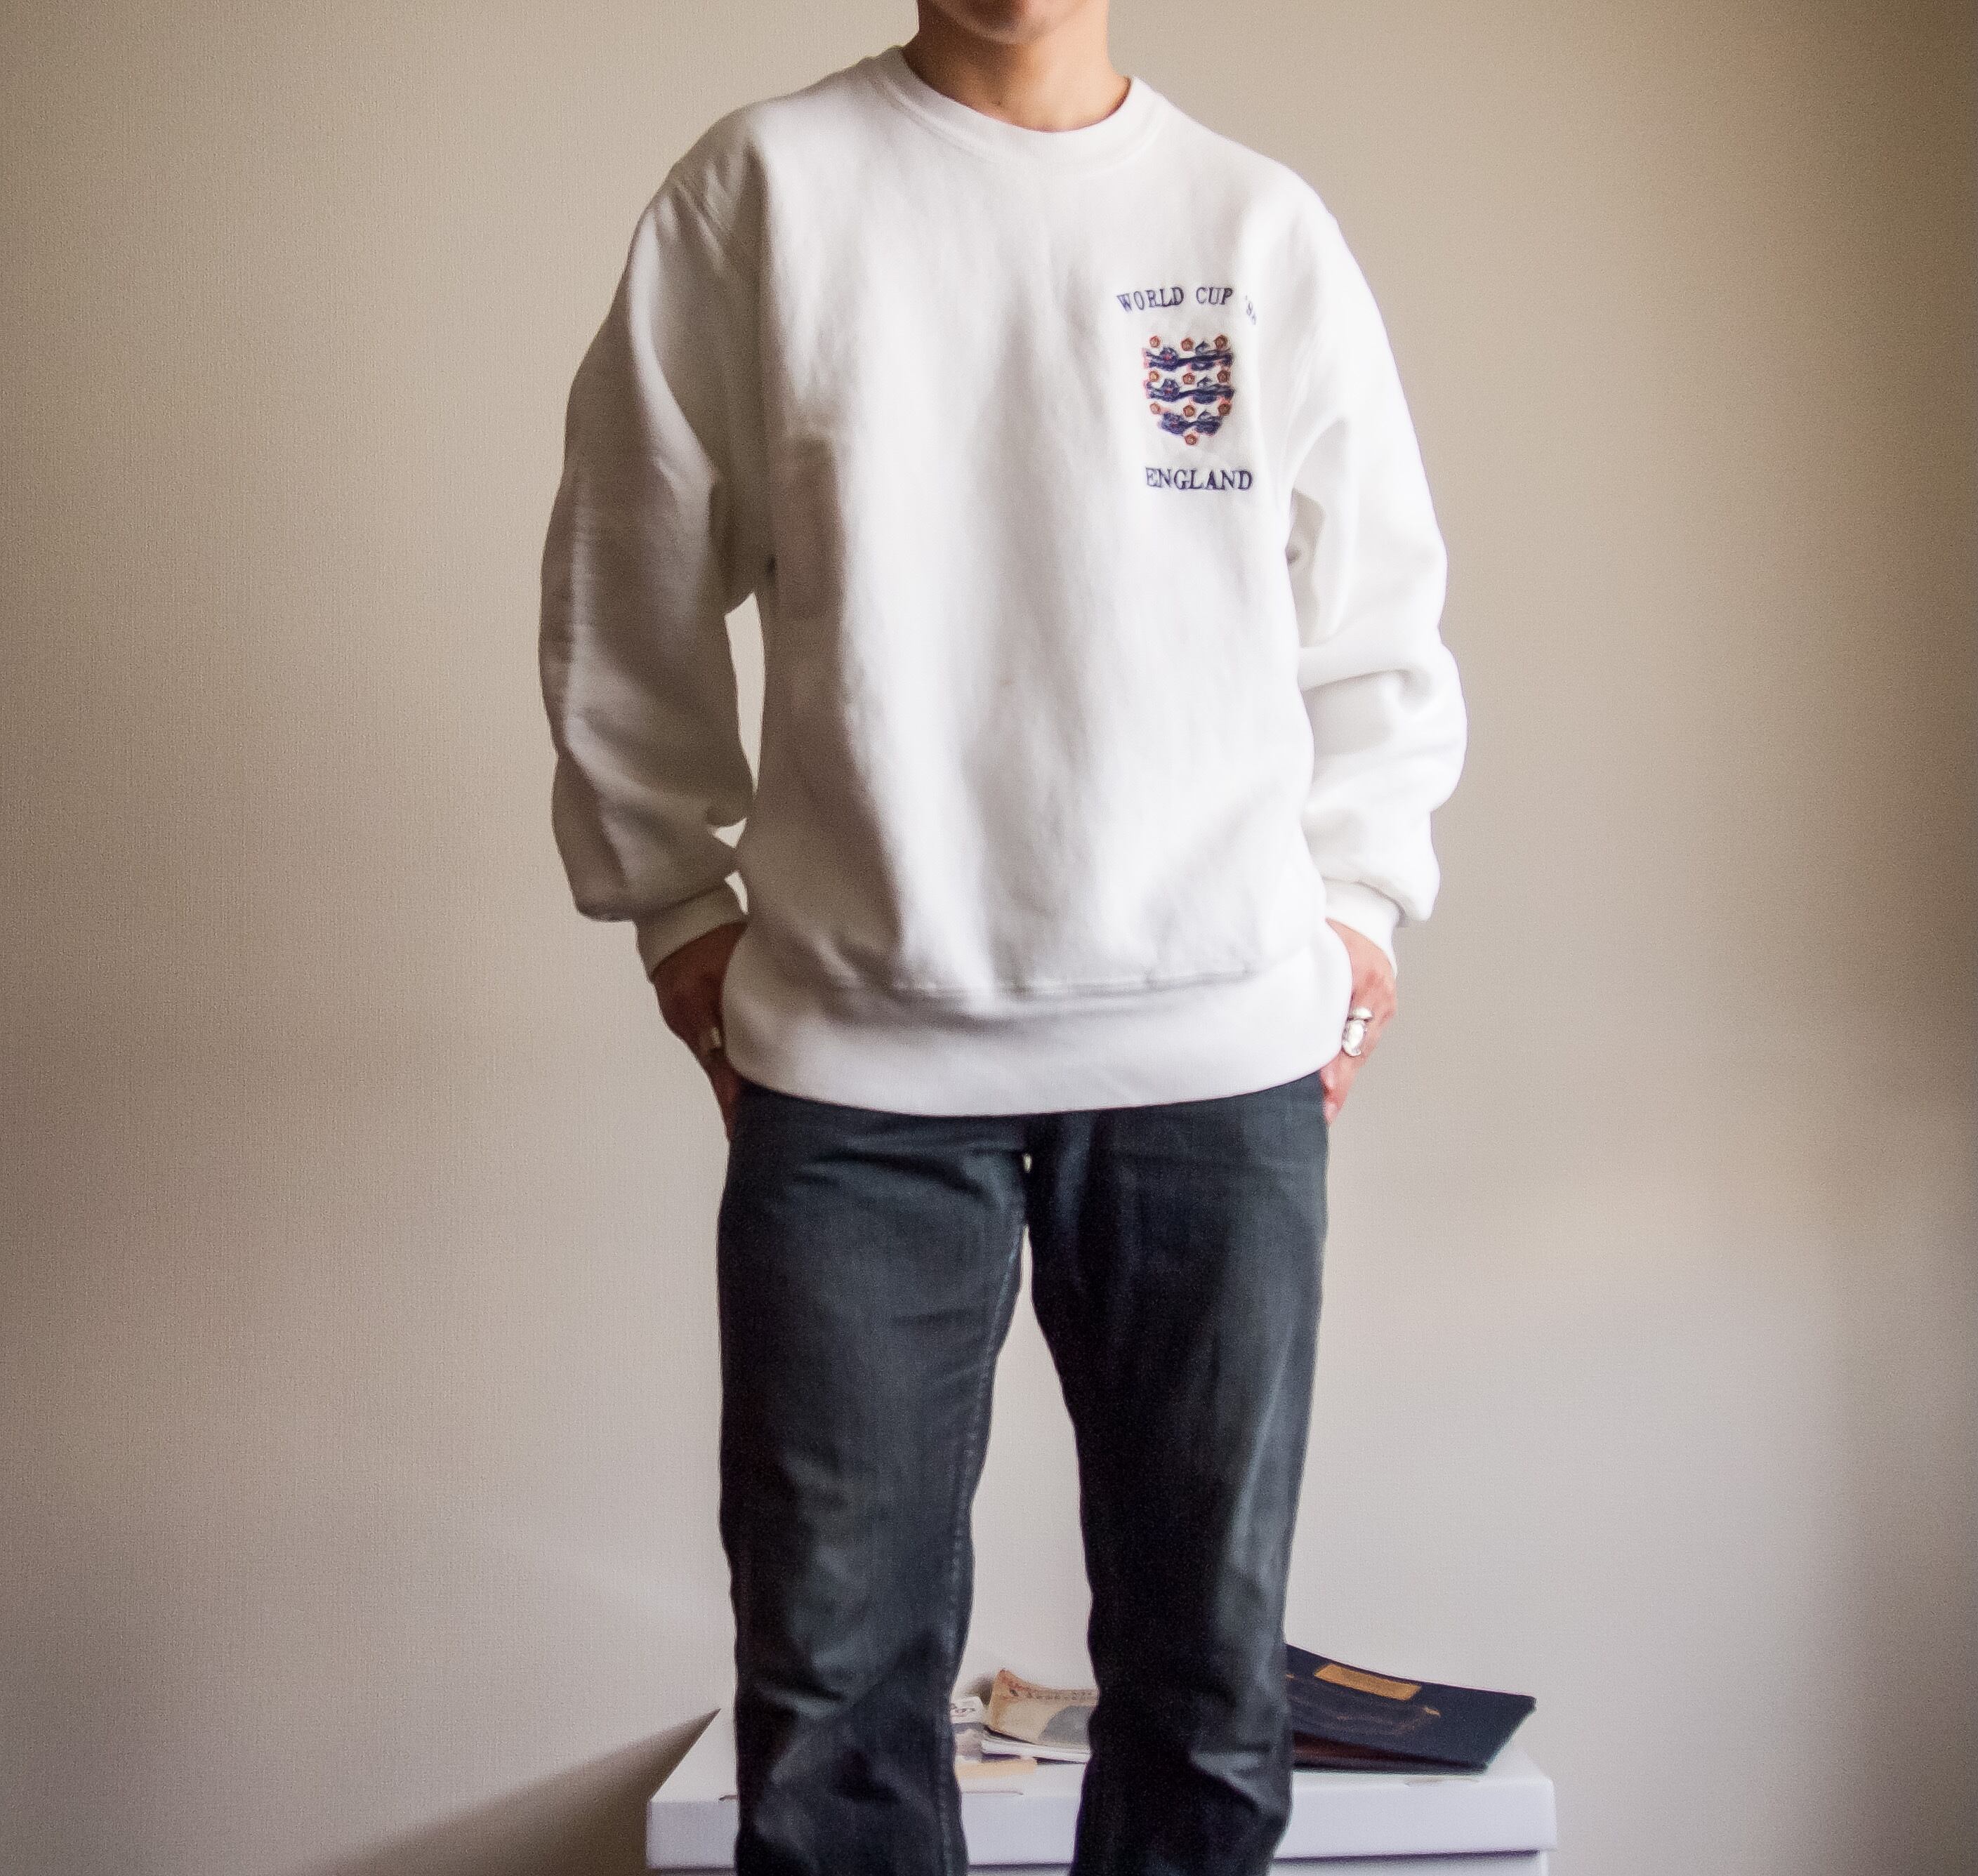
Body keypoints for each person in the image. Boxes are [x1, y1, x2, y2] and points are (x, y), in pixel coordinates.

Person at [537, 2, 1466, 1869]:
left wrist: (1358, 897)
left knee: (1207, 1698)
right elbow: (626, 566)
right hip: (858, 1076)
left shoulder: (1251, 224)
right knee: (831, 1704)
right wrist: (673, 903)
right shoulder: (763, 192)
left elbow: (1375, 609)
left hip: (1216, 1065)